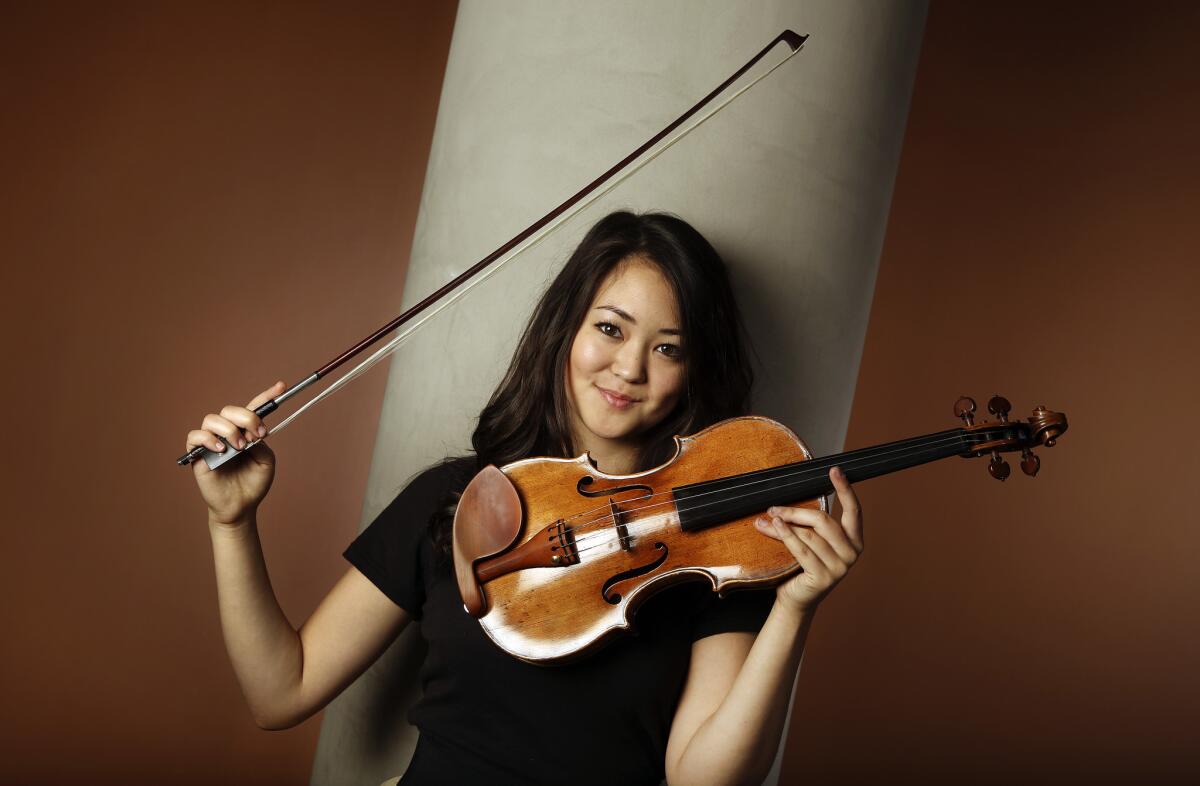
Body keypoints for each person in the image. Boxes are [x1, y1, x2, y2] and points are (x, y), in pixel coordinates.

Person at [187, 211, 864, 785]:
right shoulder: (455, 499)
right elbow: (282, 690)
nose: (629, 368)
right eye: (610, 329)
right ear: (566, 328)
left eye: (668, 348)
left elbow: (702, 777)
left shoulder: (719, 543)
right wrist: (232, 522)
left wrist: (795, 609)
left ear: (694, 372)